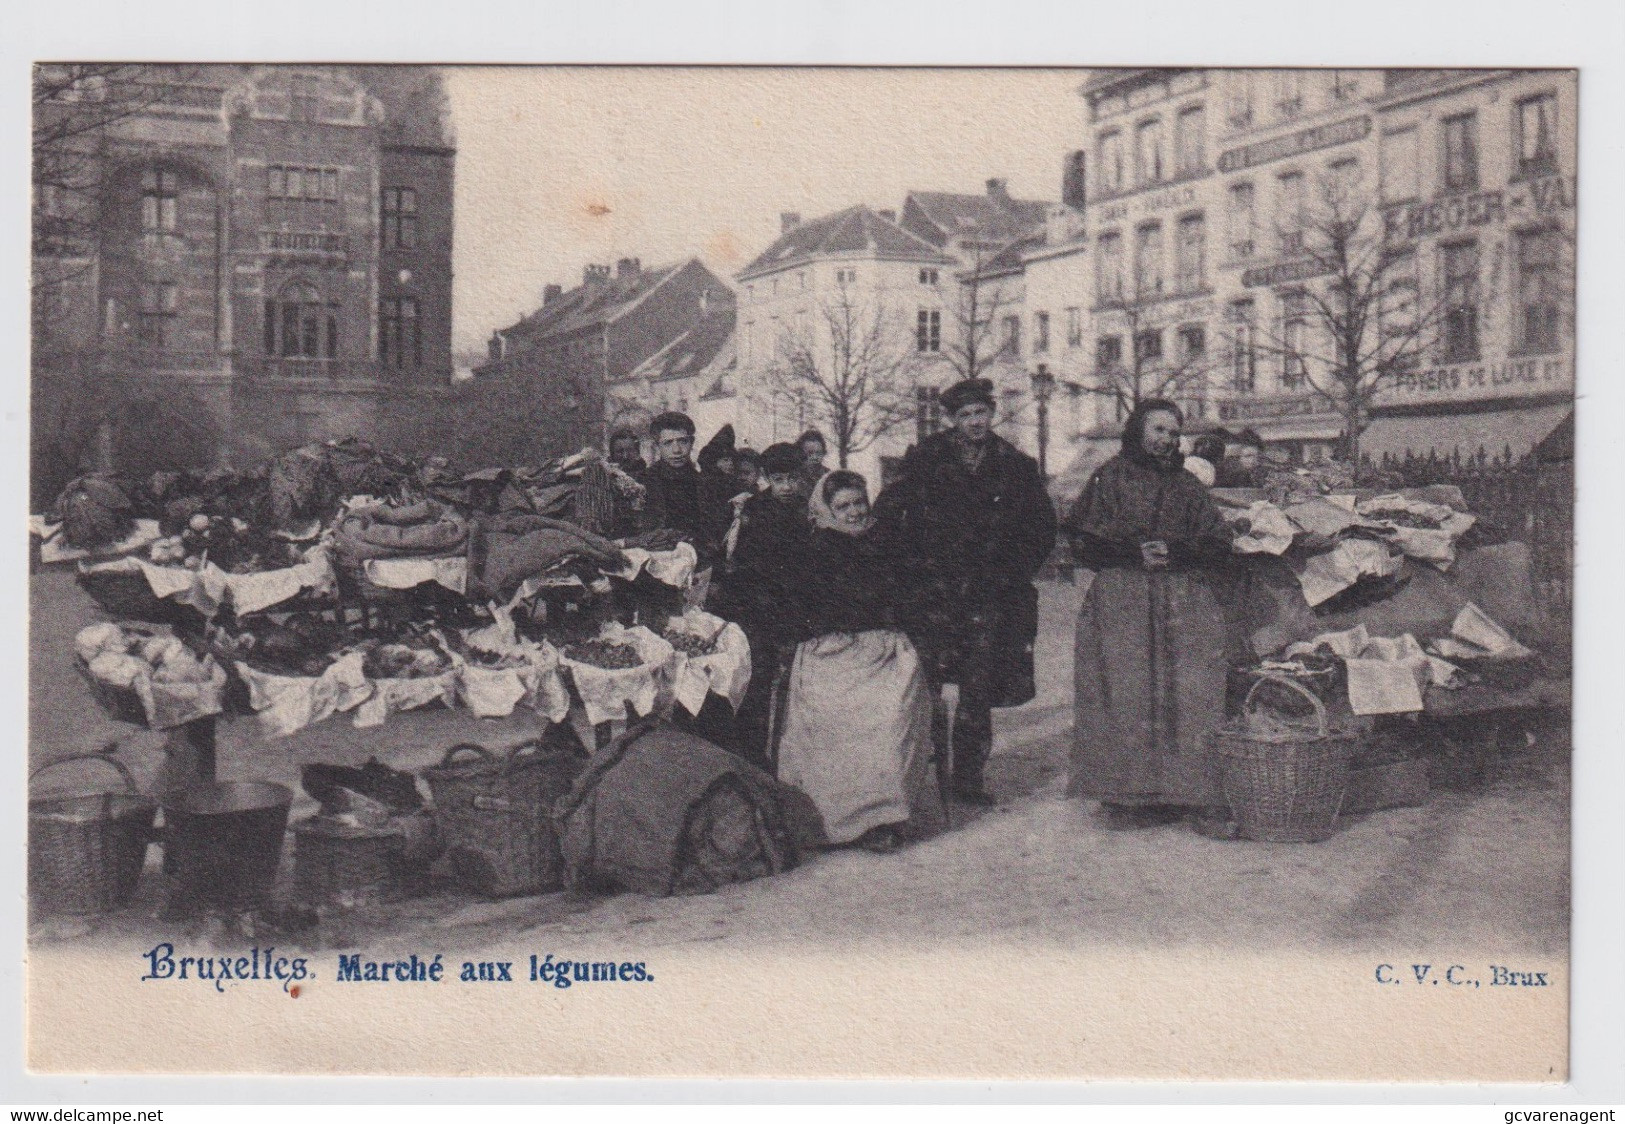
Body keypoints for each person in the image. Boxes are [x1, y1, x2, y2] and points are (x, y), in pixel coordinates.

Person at [872, 377, 1058, 806]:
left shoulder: (1015, 464)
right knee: (925, 686)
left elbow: (1042, 528)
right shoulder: (925, 459)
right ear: (952, 420)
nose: (975, 422)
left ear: (992, 414)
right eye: (966, 415)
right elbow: (888, 512)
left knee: (978, 689)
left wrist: (1014, 571)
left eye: (981, 413)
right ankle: (916, 771)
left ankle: (968, 779)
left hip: (988, 597)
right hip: (932, 595)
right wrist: (907, 568)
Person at [1062, 398, 1236, 836]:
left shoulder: (1188, 486)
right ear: (1138, 430)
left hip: (1181, 599)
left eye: (1174, 433)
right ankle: (1129, 793)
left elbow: (1218, 542)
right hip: (1123, 599)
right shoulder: (1110, 477)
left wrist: (1177, 551)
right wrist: (1130, 552)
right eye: (1158, 430)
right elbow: (1081, 541)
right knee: (1126, 691)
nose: (1166, 440)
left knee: (1187, 692)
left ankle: (1185, 789)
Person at [777, 471, 945, 853]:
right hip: (829, 651)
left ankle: (881, 820)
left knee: (887, 716)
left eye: (859, 503)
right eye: (843, 506)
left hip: (883, 647)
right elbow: (800, 608)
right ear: (827, 509)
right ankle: (832, 821)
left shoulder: (887, 541)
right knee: (832, 715)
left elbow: (909, 595)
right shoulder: (814, 548)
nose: (853, 513)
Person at [708, 442, 813, 765]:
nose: (786, 487)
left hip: (794, 609)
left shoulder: (807, 510)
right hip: (755, 609)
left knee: (796, 687)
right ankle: (754, 757)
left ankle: (790, 757)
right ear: (767, 477)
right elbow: (739, 563)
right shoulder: (753, 511)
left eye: (793, 479)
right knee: (756, 683)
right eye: (779, 479)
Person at [638, 412, 719, 564]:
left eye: (682, 441)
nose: (677, 450)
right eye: (668, 443)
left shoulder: (706, 483)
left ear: (692, 442)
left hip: (699, 562)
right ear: (657, 446)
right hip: (655, 562)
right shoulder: (643, 482)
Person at [795, 428, 830, 498]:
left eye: (819, 453)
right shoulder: (794, 477)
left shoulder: (828, 476)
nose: (815, 457)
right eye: (810, 453)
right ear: (800, 454)